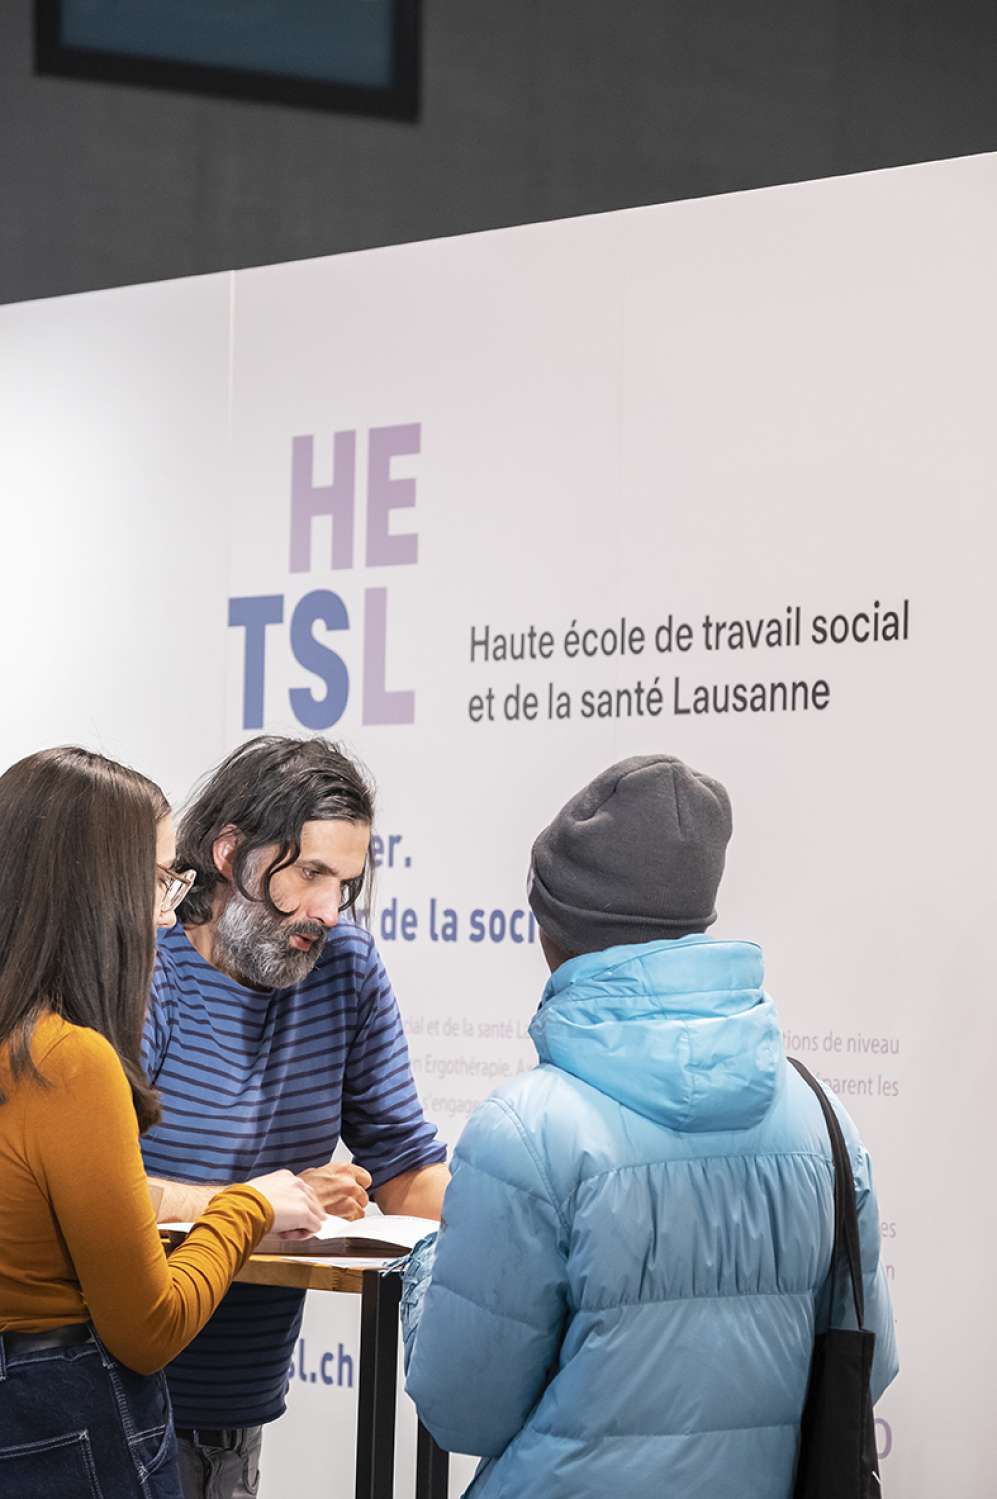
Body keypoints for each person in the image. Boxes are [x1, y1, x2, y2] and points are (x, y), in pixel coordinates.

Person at [401, 754, 899, 1498]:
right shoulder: (823, 1119)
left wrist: (428, 1271)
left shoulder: (526, 1131)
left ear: (554, 930)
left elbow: (462, 1409)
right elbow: (869, 1364)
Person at [0, 746, 323, 1499]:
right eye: (158, 880)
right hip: (61, 1434)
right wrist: (249, 1205)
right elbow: (148, 1328)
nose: (169, 911)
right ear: (98, 887)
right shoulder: (68, 1061)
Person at [141, 734, 449, 1499]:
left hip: (235, 1422)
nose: (327, 911)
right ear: (229, 851)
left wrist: (528, 1213)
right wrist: (263, 1203)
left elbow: (406, 1171)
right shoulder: (148, 967)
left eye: (343, 882)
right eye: (310, 873)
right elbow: (93, 1188)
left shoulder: (345, 968)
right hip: (117, 1407)